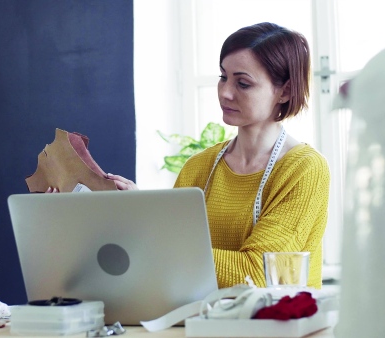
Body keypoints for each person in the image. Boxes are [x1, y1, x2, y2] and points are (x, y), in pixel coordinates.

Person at [114, 22, 330, 289]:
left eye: (243, 83)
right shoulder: (198, 167)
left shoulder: (303, 169)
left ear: (284, 91)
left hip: (271, 328)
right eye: (222, 77)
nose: (225, 92)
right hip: (198, 323)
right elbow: (164, 264)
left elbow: (260, 275)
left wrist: (154, 231)